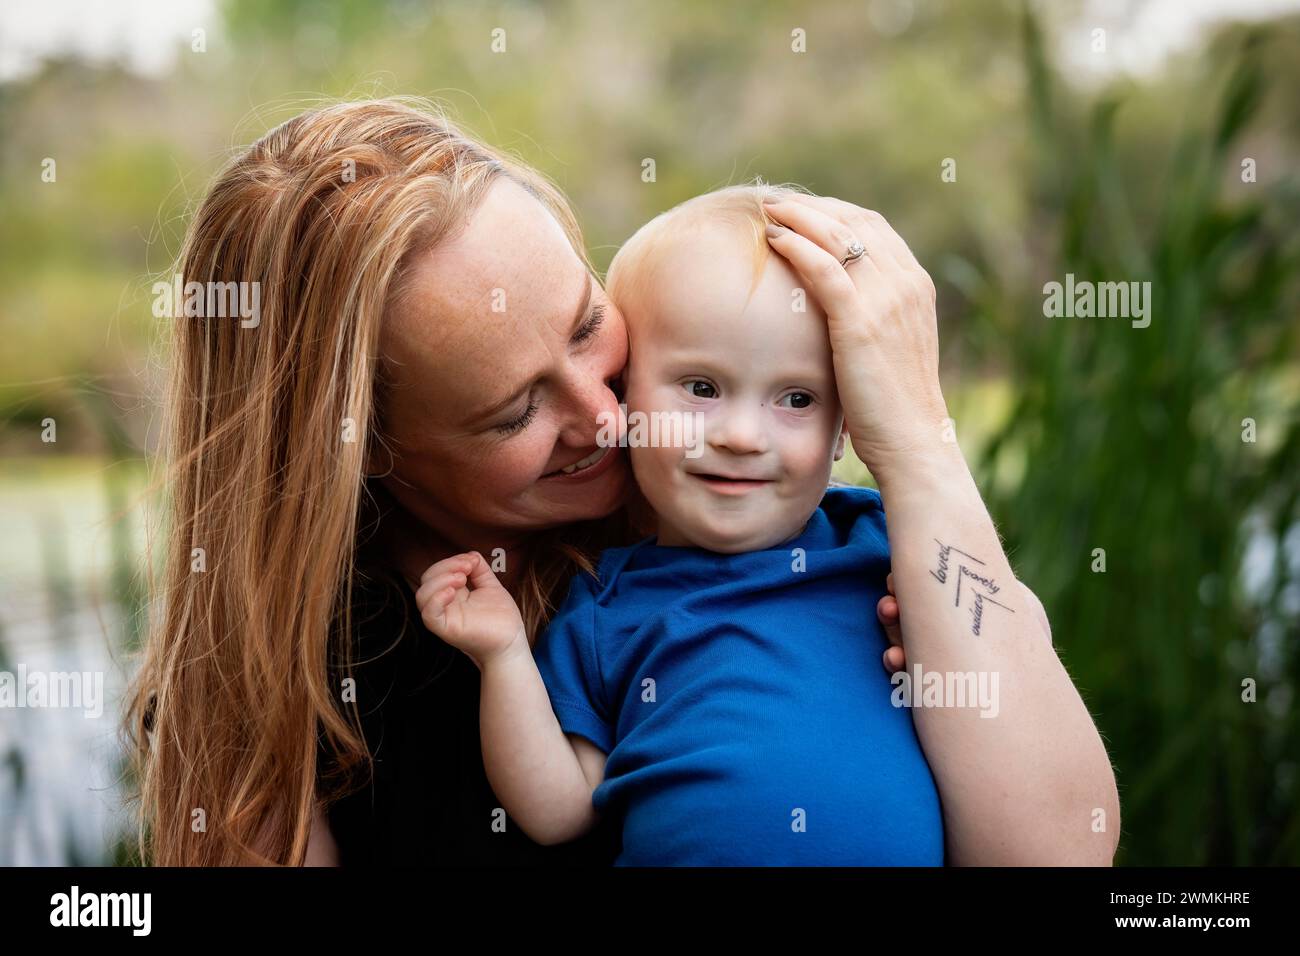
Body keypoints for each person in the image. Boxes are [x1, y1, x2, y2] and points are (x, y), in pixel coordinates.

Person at [124, 98, 1119, 866]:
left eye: (586, 323)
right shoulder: (290, 687)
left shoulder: (749, 519)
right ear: (361, 450)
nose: (610, 419)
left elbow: (1059, 848)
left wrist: (916, 440)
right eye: (515, 411)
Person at [415, 183, 946, 864]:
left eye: (797, 398)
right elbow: (559, 811)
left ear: (846, 425)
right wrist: (503, 657)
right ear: (625, 395)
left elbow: (1006, 652)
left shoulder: (879, 546)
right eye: (701, 388)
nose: (743, 435)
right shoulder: (607, 613)